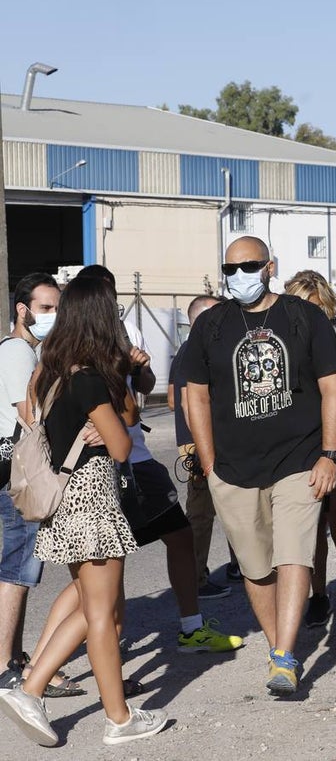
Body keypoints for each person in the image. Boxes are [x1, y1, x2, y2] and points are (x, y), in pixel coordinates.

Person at [0, 276, 169, 747]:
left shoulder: (49, 370)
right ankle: (112, 716)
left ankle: (35, 688)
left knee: (89, 603)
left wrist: (103, 418)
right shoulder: (89, 377)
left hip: (65, 500)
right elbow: (120, 445)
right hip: (92, 497)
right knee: (100, 612)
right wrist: (103, 425)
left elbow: (40, 422)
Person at [184, 236, 336, 696]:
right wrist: (209, 462)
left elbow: (332, 386)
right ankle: (280, 646)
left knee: (293, 552)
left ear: (270, 267)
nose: (239, 276)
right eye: (230, 268)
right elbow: (195, 393)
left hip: (299, 458)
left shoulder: (303, 316)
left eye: (249, 266)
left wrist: (330, 453)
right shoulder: (211, 324)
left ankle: (284, 655)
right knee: (256, 568)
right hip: (233, 468)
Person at [73, 265, 242, 656]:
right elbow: (126, 412)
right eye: (101, 294)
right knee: (103, 566)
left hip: (138, 457)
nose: (108, 302)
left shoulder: (127, 331)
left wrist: (141, 367)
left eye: (110, 293)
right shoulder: (75, 344)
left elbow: (142, 392)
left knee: (178, 537)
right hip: (107, 463)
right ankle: (59, 665)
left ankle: (189, 628)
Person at [283, 270, 336, 629]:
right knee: (310, 521)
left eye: (312, 304)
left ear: (325, 303)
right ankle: (318, 594)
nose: (305, 311)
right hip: (300, 439)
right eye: (298, 303)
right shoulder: (281, 335)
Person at [0, 274, 60, 689]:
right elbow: (29, 412)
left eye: (57, 308)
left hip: (12, 468)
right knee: (18, 566)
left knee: (19, 564)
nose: (53, 317)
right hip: (16, 472)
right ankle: (5, 664)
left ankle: (13, 656)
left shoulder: (20, 350)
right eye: (45, 309)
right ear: (22, 310)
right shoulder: (19, 351)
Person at [168, 295, 238, 597]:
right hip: (200, 444)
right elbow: (184, 402)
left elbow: (171, 396)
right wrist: (199, 445)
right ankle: (195, 578)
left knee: (231, 505)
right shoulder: (194, 353)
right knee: (201, 513)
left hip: (201, 441)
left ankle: (237, 565)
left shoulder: (191, 351)